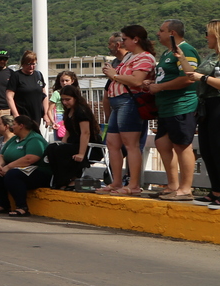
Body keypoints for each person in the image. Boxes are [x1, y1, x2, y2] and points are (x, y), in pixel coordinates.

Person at [97, 25, 156, 196]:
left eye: (124, 39)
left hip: (129, 101)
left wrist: (114, 75)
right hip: (118, 101)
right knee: (112, 143)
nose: (122, 42)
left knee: (131, 145)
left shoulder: (145, 58)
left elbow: (136, 80)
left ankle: (133, 184)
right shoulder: (130, 56)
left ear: (135, 39)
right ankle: (116, 181)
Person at [146, 19, 200, 201]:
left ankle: (185, 188)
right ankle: (172, 185)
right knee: (162, 144)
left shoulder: (186, 50)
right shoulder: (166, 53)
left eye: (161, 30)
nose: (157, 33)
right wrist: (154, 84)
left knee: (182, 145)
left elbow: (188, 77)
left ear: (172, 33)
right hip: (166, 108)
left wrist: (160, 87)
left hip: (181, 105)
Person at [184, 20, 220, 207]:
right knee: (207, 150)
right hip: (208, 105)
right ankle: (216, 191)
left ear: (218, 35)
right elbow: (192, 75)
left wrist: (203, 77)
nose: (205, 37)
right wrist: (182, 58)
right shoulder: (212, 56)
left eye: (208, 33)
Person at [0, 115, 49, 216]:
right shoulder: (14, 139)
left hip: (37, 172)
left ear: (21, 126)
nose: (12, 127)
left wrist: (9, 166)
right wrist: (0, 165)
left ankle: (22, 207)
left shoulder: (34, 139)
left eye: (14, 124)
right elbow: (2, 154)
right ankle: (1, 204)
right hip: (15, 168)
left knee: (13, 175)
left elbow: (30, 158)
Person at [44, 86, 97, 189]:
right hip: (73, 143)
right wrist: (62, 143)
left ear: (75, 98)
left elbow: (85, 133)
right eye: (63, 100)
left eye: (68, 99)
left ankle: (67, 180)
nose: (65, 102)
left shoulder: (81, 111)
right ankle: (58, 180)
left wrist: (81, 153)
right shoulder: (68, 112)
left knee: (61, 151)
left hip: (86, 145)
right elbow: (67, 132)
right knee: (51, 148)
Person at [6, 51, 48, 132]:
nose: (31, 67)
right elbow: (9, 96)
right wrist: (16, 115)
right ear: (23, 63)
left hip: (36, 115)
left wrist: (46, 114)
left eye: (34, 64)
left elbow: (44, 95)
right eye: (29, 64)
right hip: (22, 114)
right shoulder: (16, 76)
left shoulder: (38, 75)